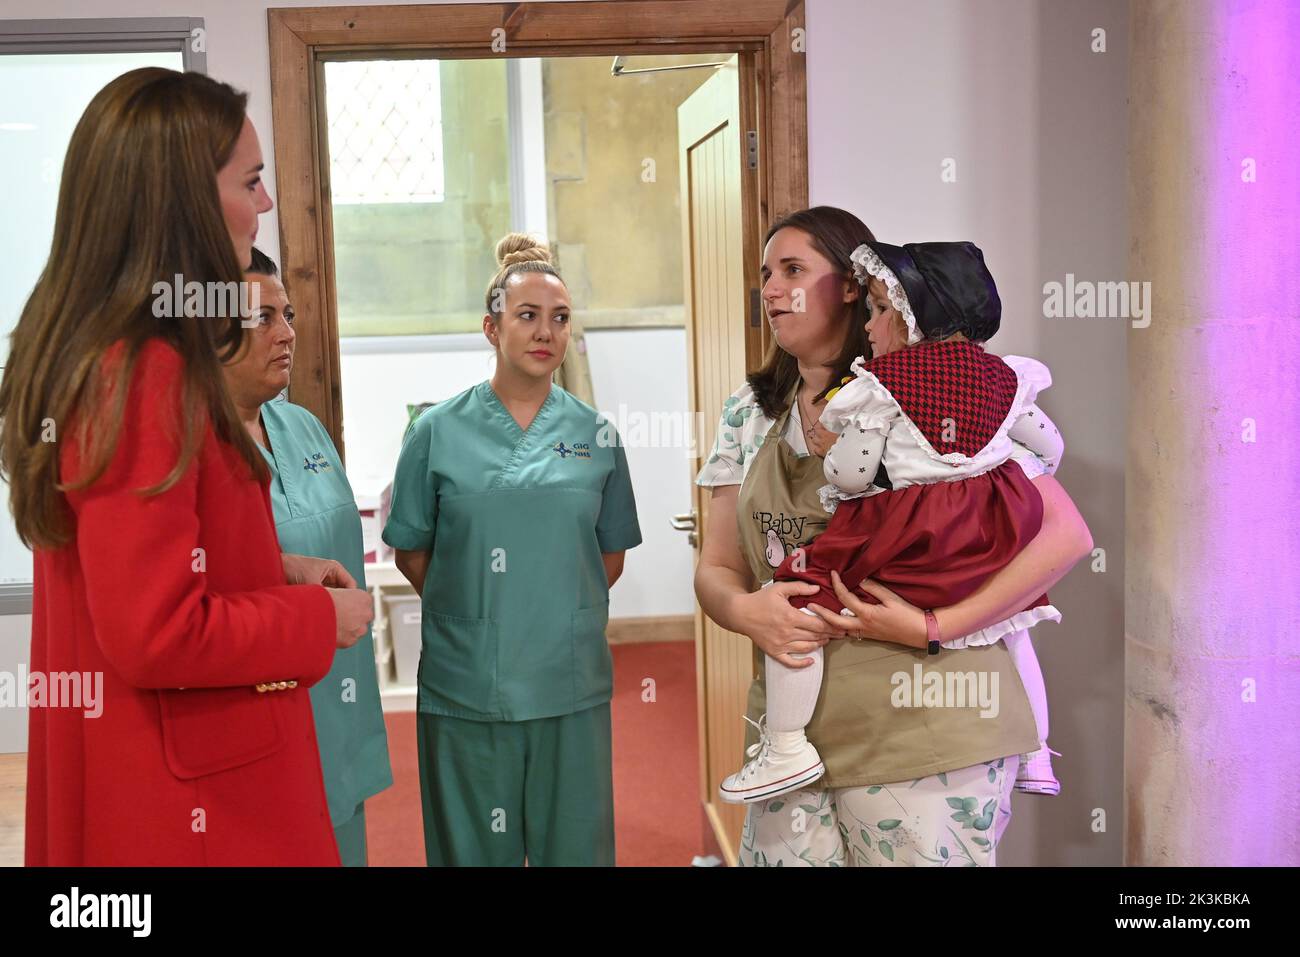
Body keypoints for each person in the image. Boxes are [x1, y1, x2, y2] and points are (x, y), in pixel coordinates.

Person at [0, 68, 373, 866]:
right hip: (196, 797)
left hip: (142, 766)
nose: (266, 204)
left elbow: (136, 564)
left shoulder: (97, 353)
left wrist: (272, 566)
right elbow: (158, 631)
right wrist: (315, 621)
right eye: (251, 181)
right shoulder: (145, 371)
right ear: (185, 200)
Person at [694, 206, 1093, 866]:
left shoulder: (939, 387)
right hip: (793, 738)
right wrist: (745, 610)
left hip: (927, 727)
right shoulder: (750, 409)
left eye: (793, 270)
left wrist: (933, 623)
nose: (769, 289)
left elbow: (1066, 535)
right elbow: (716, 564)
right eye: (766, 273)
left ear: (852, 285)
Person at [383, 233, 641, 866]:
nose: (544, 332)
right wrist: (477, 609)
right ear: (491, 327)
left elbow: (608, 556)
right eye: (527, 316)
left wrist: (550, 607)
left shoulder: (595, 435)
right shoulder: (436, 431)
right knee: (472, 853)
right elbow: (413, 551)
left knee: (574, 850)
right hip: (469, 687)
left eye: (558, 319)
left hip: (568, 681)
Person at [220, 247, 394, 865]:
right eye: (263, 319)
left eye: (287, 315)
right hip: (261, 717)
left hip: (340, 703)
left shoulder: (304, 428)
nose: (287, 333)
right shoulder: (195, 447)